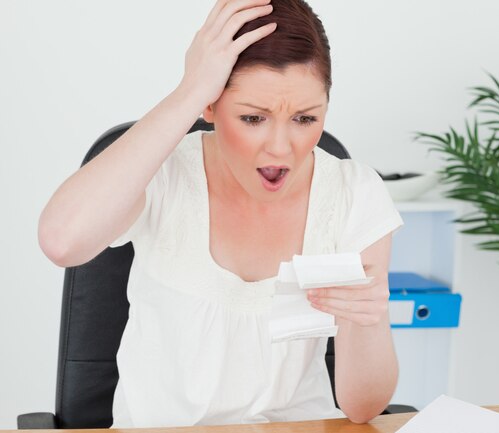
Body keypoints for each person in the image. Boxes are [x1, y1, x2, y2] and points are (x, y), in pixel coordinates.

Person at [38, 0, 403, 427]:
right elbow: (62, 241)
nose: (282, 148)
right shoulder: (164, 173)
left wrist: (369, 321)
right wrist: (190, 90)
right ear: (210, 106)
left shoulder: (354, 194)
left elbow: (362, 409)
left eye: (306, 118)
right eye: (252, 118)